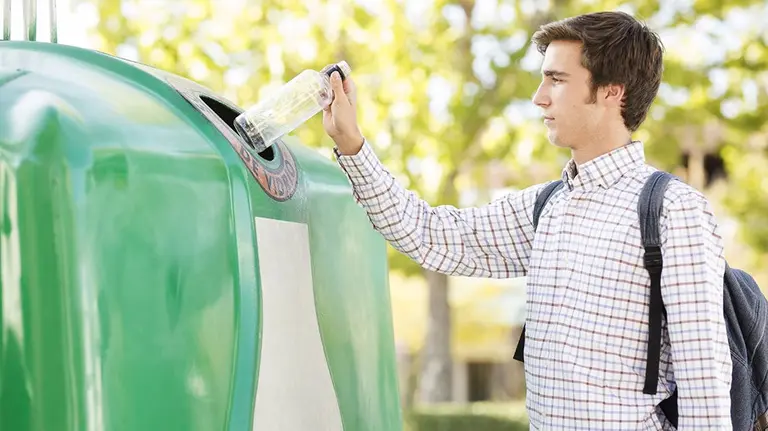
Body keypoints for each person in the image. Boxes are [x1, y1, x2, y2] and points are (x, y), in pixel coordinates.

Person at [322, 10, 731, 430]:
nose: (539, 97)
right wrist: (352, 145)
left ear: (612, 92)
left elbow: (705, 381)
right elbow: (429, 235)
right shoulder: (546, 207)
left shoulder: (672, 210)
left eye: (557, 79)